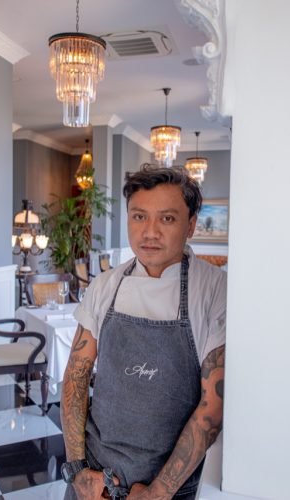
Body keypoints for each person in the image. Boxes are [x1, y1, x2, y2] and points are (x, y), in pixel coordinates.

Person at [61, 164, 226, 499]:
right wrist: (78, 470)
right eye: (139, 217)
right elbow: (76, 376)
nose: (150, 232)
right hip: (95, 480)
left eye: (167, 218)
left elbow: (213, 406)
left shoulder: (214, 290)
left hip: (169, 487)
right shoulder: (105, 285)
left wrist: (158, 491)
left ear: (190, 225)